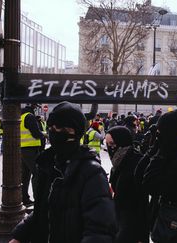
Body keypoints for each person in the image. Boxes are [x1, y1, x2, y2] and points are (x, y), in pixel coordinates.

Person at [10, 101, 117, 243]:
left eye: (61, 128)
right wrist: (20, 235)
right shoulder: (47, 164)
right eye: (52, 127)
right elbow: (43, 210)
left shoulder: (92, 172)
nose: (55, 132)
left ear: (76, 132)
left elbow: (100, 229)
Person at [142, 109, 177, 243]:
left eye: (161, 131)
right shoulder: (174, 154)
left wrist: (158, 152)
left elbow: (149, 183)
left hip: (174, 225)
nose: (158, 134)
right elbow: (140, 173)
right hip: (167, 221)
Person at [105, 126, 148, 243]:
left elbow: (143, 200)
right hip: (118, 219)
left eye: (113, 144)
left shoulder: (137, 161)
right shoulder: (117, 162)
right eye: (108, 145)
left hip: (132, 223)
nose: (110, 148)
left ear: (122, 141)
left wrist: (142, 235)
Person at [20, 104, 45, 206]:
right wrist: (44, 134)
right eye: (36, 107)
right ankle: (38, 198)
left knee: (25, 176)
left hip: (23, 149)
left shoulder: (21, 116)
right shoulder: (29, 116)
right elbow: (35, 133)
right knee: (37, 173)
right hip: (31, 149)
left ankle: (24, 199)